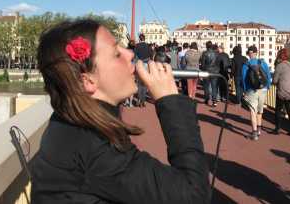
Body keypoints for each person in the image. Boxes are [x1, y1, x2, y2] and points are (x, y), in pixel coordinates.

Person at [31, 19, 209, 203]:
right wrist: (170, 101)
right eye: (117, 53)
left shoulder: (72, 121)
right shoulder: (95, 146)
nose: (130, 53)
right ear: (88, 81)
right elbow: (193, 194)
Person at [241, 45, 272, 140]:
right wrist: (268, 87)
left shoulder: (246, 64)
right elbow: (268, 76)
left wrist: (245, 91)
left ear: (249, 54)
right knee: (260, 110)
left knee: (253, 111)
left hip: (252, 90)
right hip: (263, 89)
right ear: (256, 53)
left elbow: (243, 79)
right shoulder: (263, 62)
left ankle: (254, 133)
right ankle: (259, 130)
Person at [272, 48, 290, 137]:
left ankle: (277, 129)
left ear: (279, 57)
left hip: (282, 91)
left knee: (278, 110)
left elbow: (274, 80)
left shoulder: (279, 66)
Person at [134, 33, 153, 107]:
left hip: (139, 63)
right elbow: (151, 55)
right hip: (146, 64)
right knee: (145, 83)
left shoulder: (137, 45)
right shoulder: (148, 46)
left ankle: (139, 99)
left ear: (139, 38)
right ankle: (143, 100)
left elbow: (135, 55)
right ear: (144, 39)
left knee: (139, 83)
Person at [200, 41, 219, 106]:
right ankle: (214, 101)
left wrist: (202, 69)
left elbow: (202, 64)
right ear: (211, 46)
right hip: (214, 72)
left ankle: (207, 99)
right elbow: (218, 63)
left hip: (206, 71)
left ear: (206, 46)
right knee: (214, 87)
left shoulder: (204, 53)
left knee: (206, 86)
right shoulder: (216, 53)